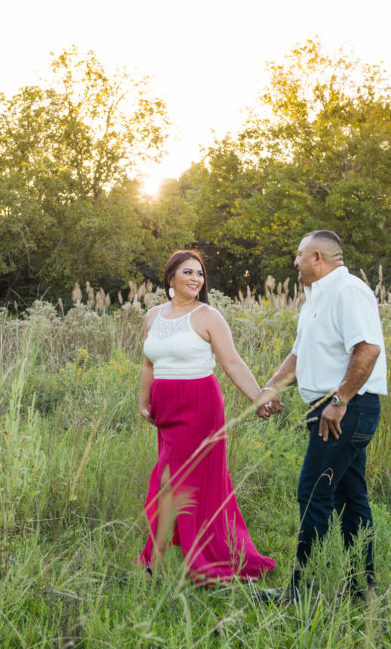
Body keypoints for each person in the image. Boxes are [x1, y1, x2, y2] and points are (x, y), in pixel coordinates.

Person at [258, 230, 387, 603]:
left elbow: (368, 348)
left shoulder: (348, 291)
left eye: (299, 255)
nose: (294, 263)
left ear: (317, 258)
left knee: (313, 493)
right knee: (350, 496)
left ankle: (300, 591)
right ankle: (363, 589)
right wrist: (271, 388)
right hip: (331, 409)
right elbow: (300, 356)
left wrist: (340, 398)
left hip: (347, 410)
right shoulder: (316, 298)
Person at [136, 249, 276, 583]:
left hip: (199, 407)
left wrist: (258, 396)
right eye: (188, 272)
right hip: (166, 407)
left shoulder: (208, 316)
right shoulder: (153, 316)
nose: (196, 279)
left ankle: (185, 558)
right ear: (170, 277)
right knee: (173, 479)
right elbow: (148, 363)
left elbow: (231, 362)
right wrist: (144, 401)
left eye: (199, 273)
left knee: (178, 482)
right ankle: (171, 550)